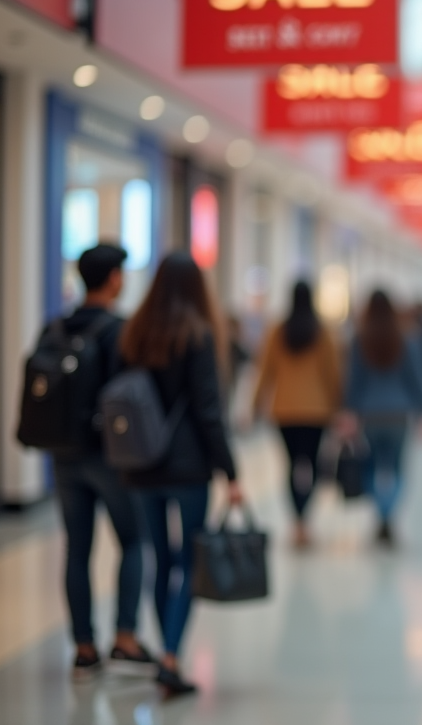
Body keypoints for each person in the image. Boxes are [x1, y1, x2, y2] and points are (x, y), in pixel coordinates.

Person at [118, 252, 243, 698]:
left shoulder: (133, 332)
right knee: (189, 560)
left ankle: (166, 651)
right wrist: (230, 469)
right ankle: (171, 655)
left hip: (141, 466)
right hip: (188, 467)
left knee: (161, 560)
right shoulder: (198, 334)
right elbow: (209, 410)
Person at [47, 245, 155, 679]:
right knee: (132, 541)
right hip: (112, 456)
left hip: (64, 454)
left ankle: (84, 646)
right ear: (113, 278)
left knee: (77, 549)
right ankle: (125, 637)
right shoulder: (120, 332)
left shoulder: (54, 328)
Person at [252, 281, 342, 548]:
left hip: (285, 410)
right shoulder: (322, 332)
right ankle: (305, 519)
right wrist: (339, 406)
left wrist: (255, 405)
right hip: (317, 411)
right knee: (312, 465)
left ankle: (297, 522)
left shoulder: (278, 331)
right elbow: (332, 373)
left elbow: (265, 371)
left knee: (291, 466)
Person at [340, 291, 422, 546]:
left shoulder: (360, 338)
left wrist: (349, 411)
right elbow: (417, 378)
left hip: (369, 413)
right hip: (399, 413)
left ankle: (380, 513)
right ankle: (389, 514)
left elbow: (354, 380)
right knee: (397, 466)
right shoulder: (408, 338)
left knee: (370, 465)